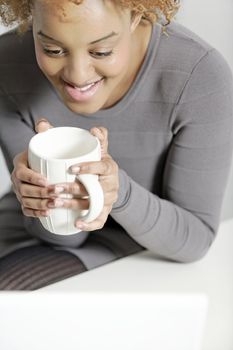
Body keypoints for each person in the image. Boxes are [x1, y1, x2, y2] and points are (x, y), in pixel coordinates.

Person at [0, 0, 232, 289]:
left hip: (143, 239)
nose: (77, 76)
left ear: (136, 14)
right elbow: (60, 236)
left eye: (101, 51)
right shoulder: (6, 66)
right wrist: (49, 197)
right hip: (31, 233)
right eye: (52, 50)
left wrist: (117, 193)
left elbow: (194, 240)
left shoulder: (198, 77)